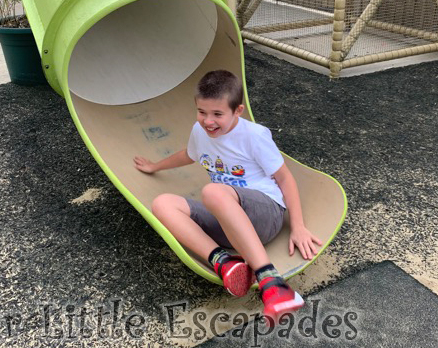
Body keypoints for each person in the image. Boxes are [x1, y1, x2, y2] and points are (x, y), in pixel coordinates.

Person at [134, 70, 322, 322]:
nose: (208, 121)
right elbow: (190, 154)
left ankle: (273, 282)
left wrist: (297, 226)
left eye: (217, 114)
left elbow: (285, 178)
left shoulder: (254, 136)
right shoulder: (200, 131)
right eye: (202, 112)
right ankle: (224, 262)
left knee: (212, 191)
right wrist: (155, 166)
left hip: (264, 215)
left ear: (238, 111)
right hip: (227, 221)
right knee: (162, 203)